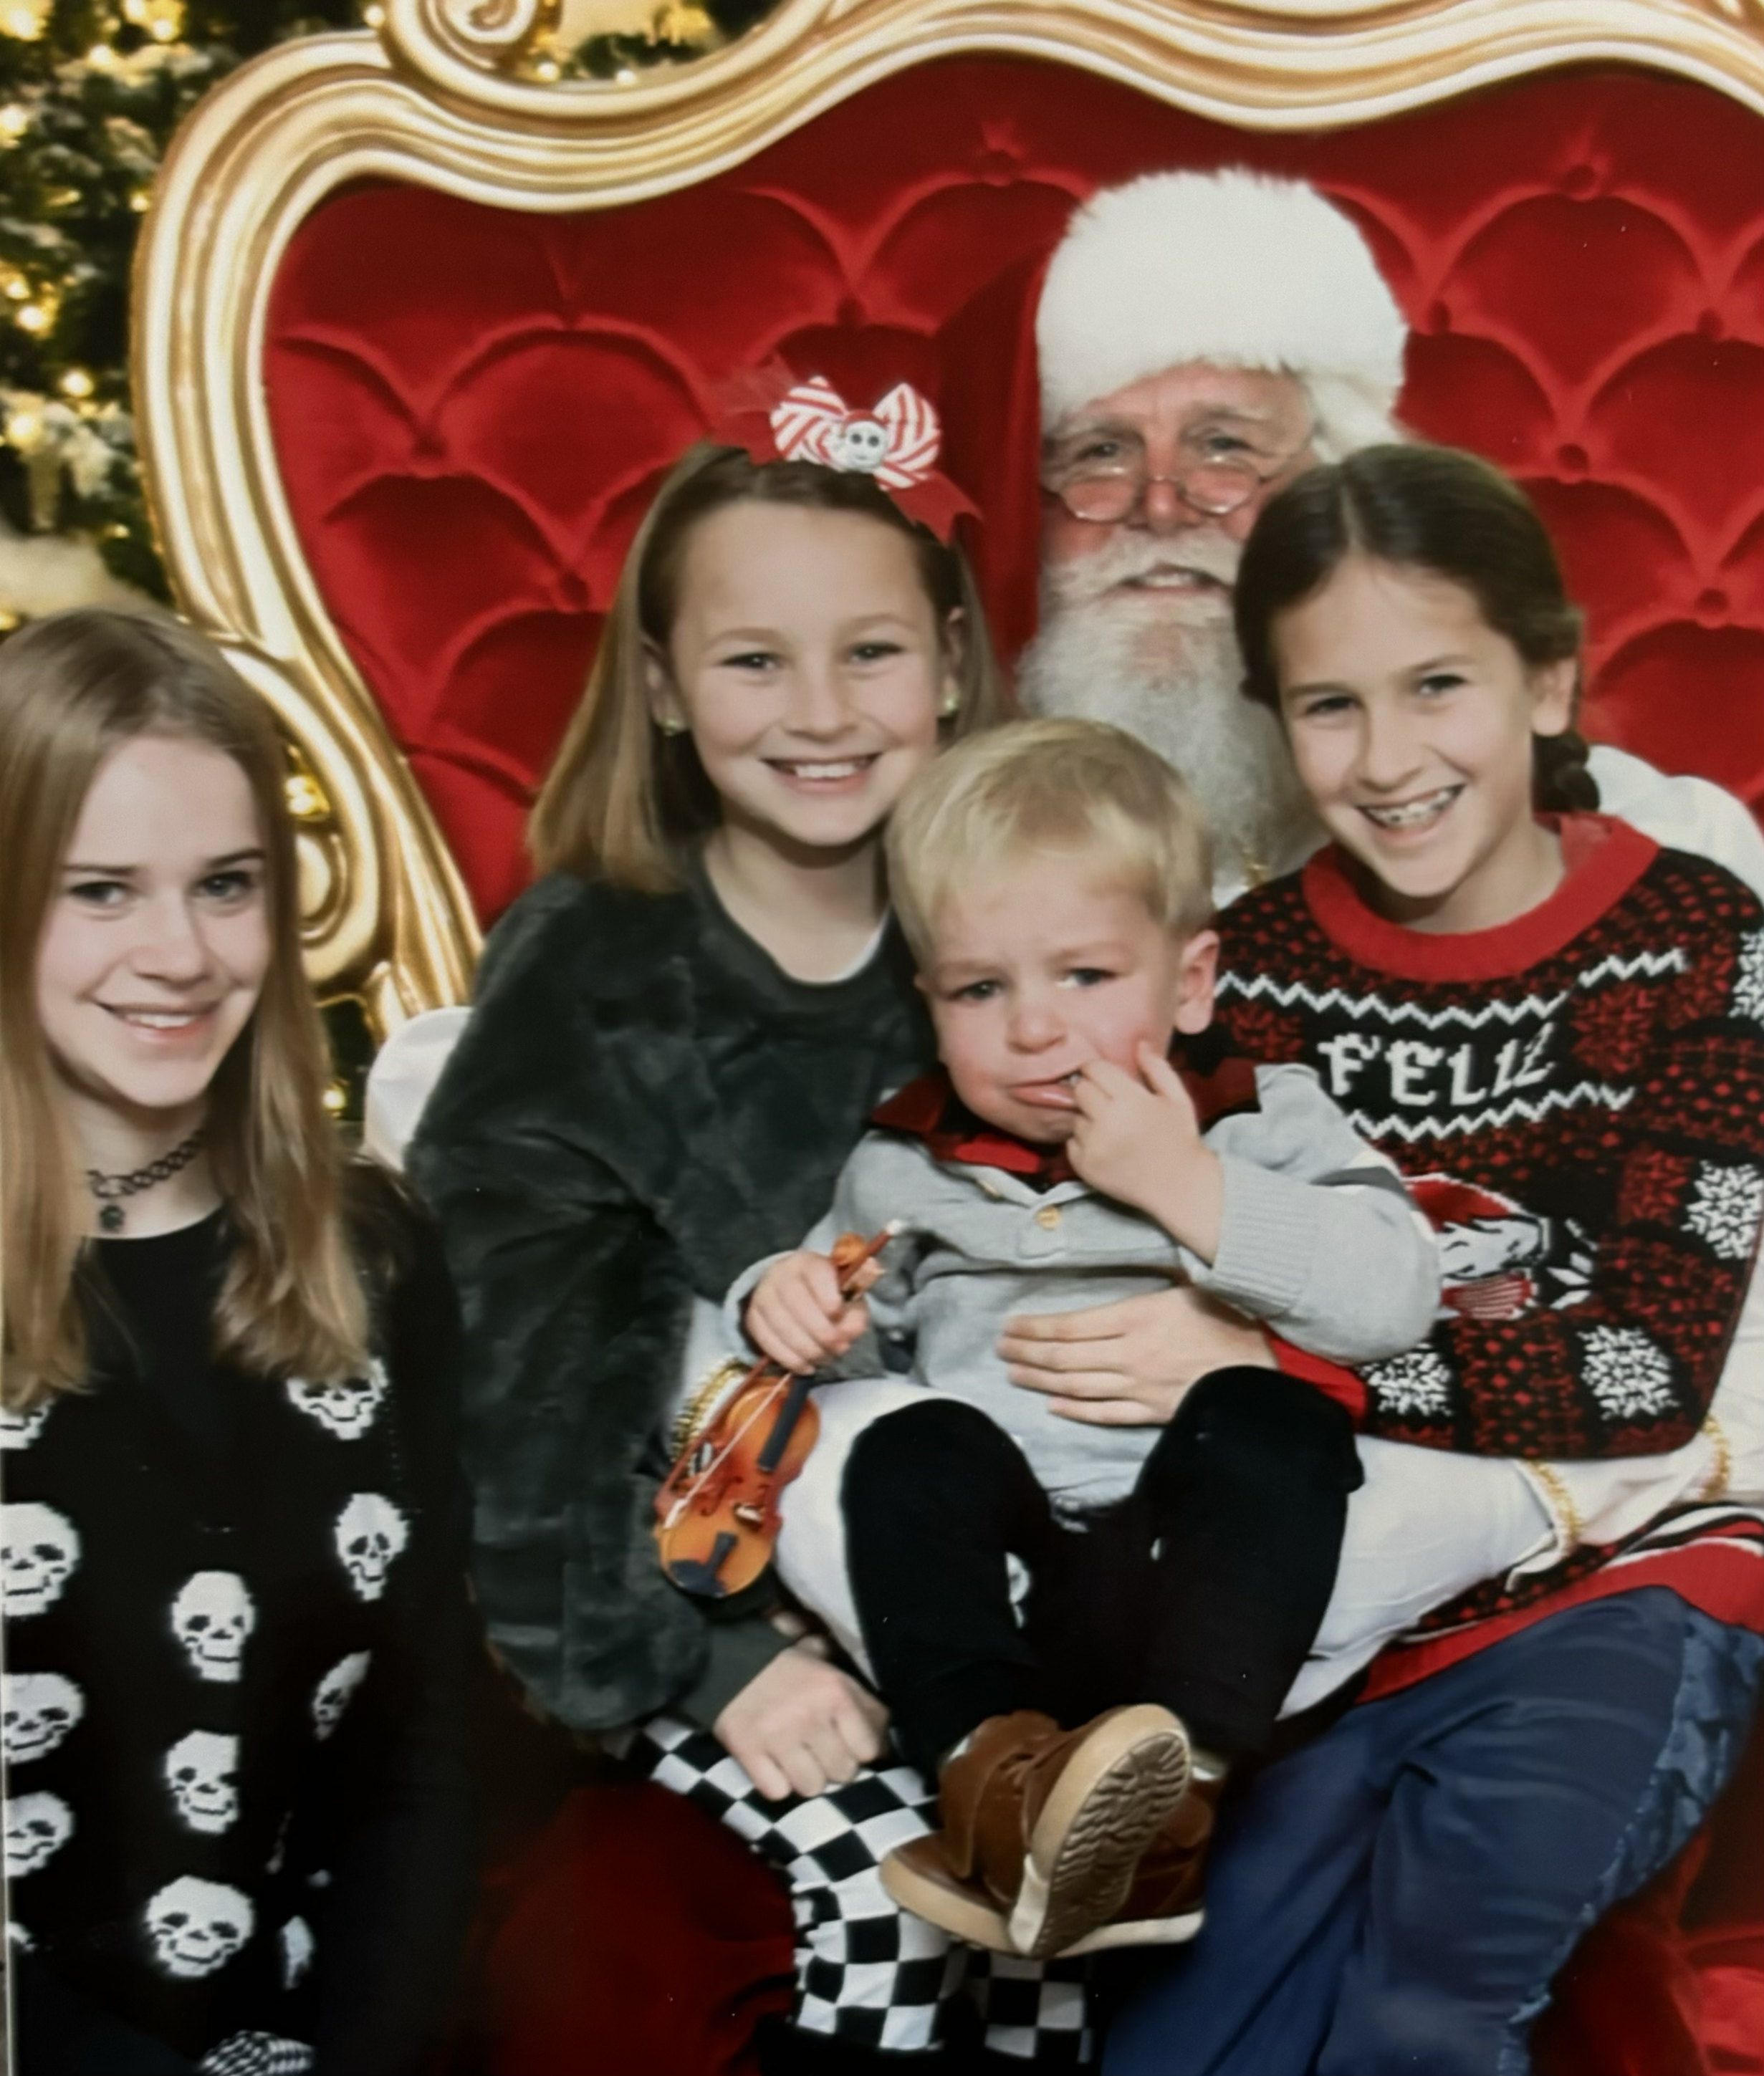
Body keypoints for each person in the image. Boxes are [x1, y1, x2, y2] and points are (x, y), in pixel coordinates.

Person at [408, 436, 1106, 2069]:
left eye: (868, 651)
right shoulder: (594, 969)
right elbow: (522, 1393)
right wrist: (711, 1666)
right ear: (660, 684)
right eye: (751, 660)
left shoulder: (1018, 929)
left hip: (984, 1580)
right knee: (890, 1899)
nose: (819, 709)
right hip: (691, 1591)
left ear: (947, 659)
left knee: (1060, 1931)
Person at [1104, 444, 1764, 2075]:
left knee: (1418, 2003)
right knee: (1181, 2042)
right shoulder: (1236, 973)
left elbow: (1643, 1369)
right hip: (1332, 1604)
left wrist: (1288, 1371)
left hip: (1623, 1586)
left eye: (1437, 686)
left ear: (1547, 677)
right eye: (1328, 706)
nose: (1386, 758)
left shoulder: (1700, 941)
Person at [736, 716, 1439, 1964]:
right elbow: (861, 1363)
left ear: (1189, 981)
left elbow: (1392, 1297)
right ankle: (987, 1780)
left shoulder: (1256, 1120)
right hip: (1000, 1585)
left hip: (1193, 1579)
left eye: (1084, 977)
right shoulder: (905, 1158)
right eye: (979, 989)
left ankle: (1168, 1802)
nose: (1032, 1031)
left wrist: (1183, 1185)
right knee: (908, 1450)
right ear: (928, 1001)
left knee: (1271, 1417)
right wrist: (789, 1301)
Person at [0, 608, 474, 2076]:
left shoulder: (375, 1256)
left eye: (227, 885)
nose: (182, 954)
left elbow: (424, 1757)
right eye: (101, 891)